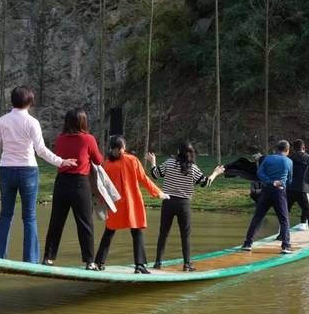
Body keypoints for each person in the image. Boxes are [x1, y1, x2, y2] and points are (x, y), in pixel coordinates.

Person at [0, 86, 78, 263]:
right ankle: (30, 260)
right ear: (30, 102)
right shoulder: (32, 122)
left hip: (6, 170)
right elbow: (41, 150)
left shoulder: (2, 121)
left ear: (12, 101)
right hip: (28, 171)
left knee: (5, 215)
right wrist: (61, 162)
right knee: (29, 217)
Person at [94, 136, 168, 274]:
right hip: (131, 203)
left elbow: (101, 187)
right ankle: (139, 265)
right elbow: (143, 179)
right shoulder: (132, 160)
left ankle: (99, 262)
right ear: (123, 147)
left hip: (115, 205)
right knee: (137, 232)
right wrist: (158, 192)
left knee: (109, 232)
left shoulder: (107, 164)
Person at [147, 143, 225, 272]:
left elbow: (155, 174)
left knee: (163, 234)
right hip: (184, 205)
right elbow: (206, 183)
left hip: (168, 202)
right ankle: (187, 265)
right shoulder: (192, 168)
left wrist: (153, 161)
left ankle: (158, 263)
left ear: (178, 151)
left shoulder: (169, 163)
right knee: (185, 236)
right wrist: (216, 173)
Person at [41, 108, 103, 269]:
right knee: (85, 223)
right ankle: (90, 262)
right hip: (80, 183)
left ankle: (48, 258)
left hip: (61, 182)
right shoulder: (88, 139)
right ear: (83, 121)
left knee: (56, 221)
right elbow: (98, 160)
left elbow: (59, 155)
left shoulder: (60, 138)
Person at [240, 140, 293, 254]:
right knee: (284, 219)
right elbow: (289, 179)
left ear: (276, 149)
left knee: (258, 217)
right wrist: (282, 185)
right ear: (287, 150)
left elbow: (259, 173)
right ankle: (286, 246)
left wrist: (270, 181)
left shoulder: (268, 158)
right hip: (279, 191)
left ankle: (248, 244)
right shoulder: (288, 161)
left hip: (266, 190)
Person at [287, 139, 309, 243]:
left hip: (289, 189)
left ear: (293, 148)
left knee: (284, 212)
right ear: (304, 147)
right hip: (303, 190)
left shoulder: (289, 158)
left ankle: (281, 235)